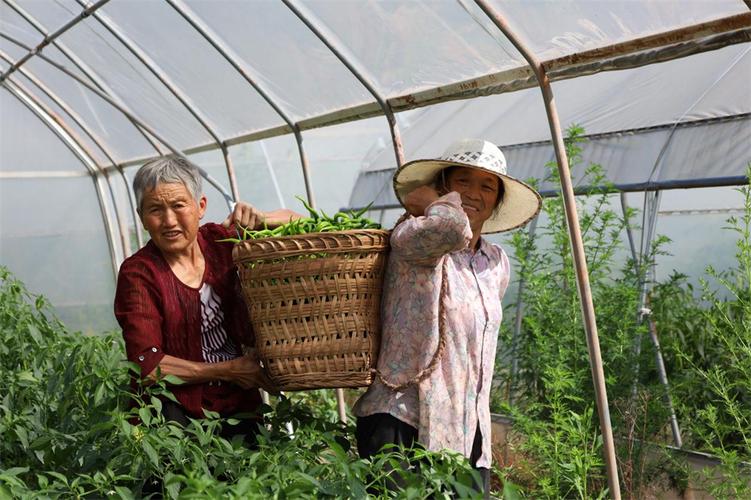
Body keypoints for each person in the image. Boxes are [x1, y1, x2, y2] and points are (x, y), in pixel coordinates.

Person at [353, 139, 542, 497]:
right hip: (402, 419)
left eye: (487, 186)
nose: (474, 193)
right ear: (442, 187)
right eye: (463, 182)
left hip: (467, 429)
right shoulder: (413, 237)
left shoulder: (495, 263)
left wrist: (437, 201)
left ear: (497, 201)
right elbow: (453, 229)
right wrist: (431, 204)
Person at [114, 155, 299, 440]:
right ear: (141, 217)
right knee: (184, 483)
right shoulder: (140, 273)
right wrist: (229, 370)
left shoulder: (219, 242)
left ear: (200, 207)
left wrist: (263, 218)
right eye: (155, 210)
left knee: (251, 480)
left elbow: (300, 222)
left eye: (178, 205)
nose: (169, 221)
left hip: (240, 405)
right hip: (172, 414)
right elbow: (147, 367)